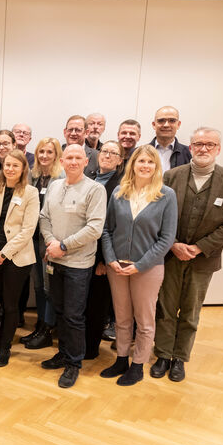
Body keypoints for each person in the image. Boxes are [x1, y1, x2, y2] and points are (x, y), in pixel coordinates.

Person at [152, 127, 223, 382]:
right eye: (199, 144)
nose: (204, 148)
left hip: (204, 259)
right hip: (171, 255)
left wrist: (199, 247)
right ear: (190, 147)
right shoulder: (171, 177)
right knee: (166, 307)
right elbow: (157, 216)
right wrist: (174, 245)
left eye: (210, 144)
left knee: (191, 310)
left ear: (218, 149)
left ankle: (180, 358)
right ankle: (162, 354)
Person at [100, 145, 178, 385]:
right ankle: (121, 358)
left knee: (145, 321)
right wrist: (110, 258)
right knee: (122, 318)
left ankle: (138, 365)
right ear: (132, 164)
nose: (145, 166)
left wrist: (141, 265)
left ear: (157, 167)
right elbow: (107, 230)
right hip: (118, 267)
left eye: (150, 162)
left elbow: (166, 239)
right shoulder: (118, 193)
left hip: (148, 268)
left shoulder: (166, 195)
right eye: (141, 161)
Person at [38, 144, 106, 388]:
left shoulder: (95, 190)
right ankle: (64, 353)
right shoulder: (55, 186)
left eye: (78, 157)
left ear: (86, 161)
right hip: (54, 260)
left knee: (74, 315)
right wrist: (50, 242)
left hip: (78, 264)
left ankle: (74, 363)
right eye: (69, 157)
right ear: (62, 160)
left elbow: (95, 228)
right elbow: (44, 218)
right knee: (59, 310)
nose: (74, 161)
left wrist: (64, 246)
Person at [0, 150, 39, 365]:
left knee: (10, 305)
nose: (10, 169)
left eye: (15, 165)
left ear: (23, 169)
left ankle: (5, 346)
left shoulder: (31, 193)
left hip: (16, 258)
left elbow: (28, 230)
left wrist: (4, 253)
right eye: (7, 165)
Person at [81, 140, 126, 360]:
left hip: (101, 256)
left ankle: (90, 349)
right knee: (81, 303)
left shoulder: (121, 186)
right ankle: (78, 344)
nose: (107, 155)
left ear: (120, 160)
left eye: (113, 153)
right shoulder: (88, 179)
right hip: (81, 253)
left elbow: (116, 228)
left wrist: (104, 260)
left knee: (97, 305)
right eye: (105, 151)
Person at [21, 137, 64, 350]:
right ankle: (40, 325)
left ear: (56, 155)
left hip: (50, 240)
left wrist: (51, 241)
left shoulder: (61, 178)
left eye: (49, 152)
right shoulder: (34, 175)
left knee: (48, 287)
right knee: (38, 286)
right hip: (33, 239)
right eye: (41, 152)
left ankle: (47, 329)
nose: (44, 156)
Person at [149, 106, 192, 173]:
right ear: (154, 125)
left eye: (172, 121)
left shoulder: (189, 154)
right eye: (161, 121)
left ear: (178, 124)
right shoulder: (138, 153)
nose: (166, 125)